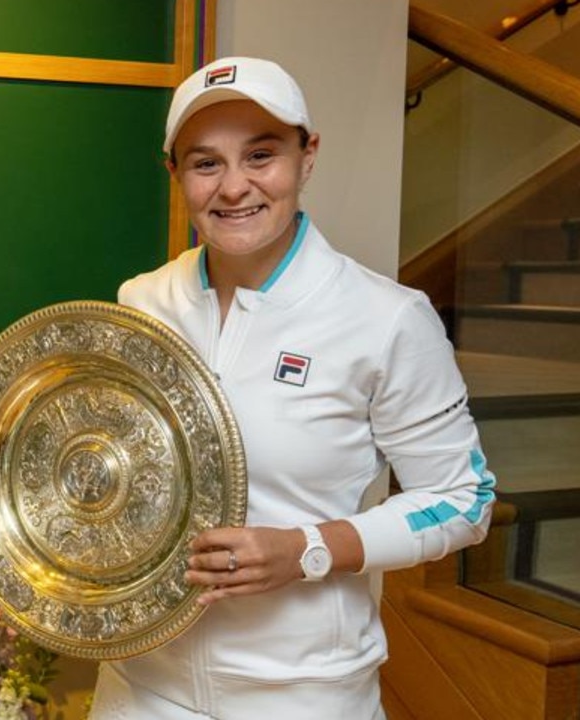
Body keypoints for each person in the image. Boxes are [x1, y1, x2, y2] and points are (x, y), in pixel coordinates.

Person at [89, 56, 496, 719]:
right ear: (175, 175)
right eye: (205, 162)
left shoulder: (387, 319)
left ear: (307, 157)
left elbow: (463, 500)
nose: (233, 187)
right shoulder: (142, 302)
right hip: (139, 690)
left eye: (261, 154)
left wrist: (307, 549)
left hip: (303, 696)